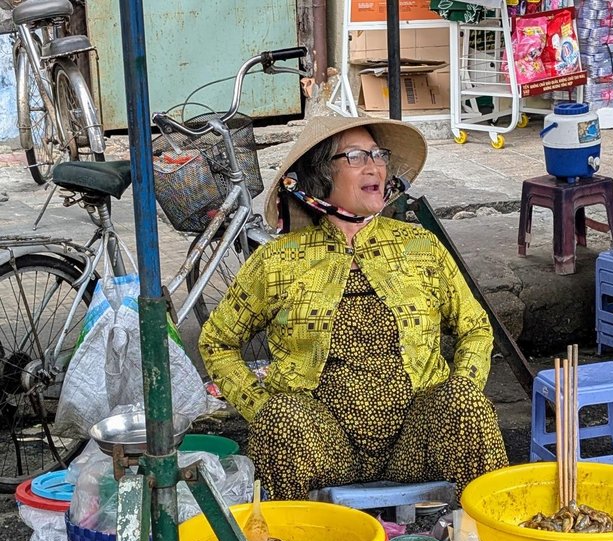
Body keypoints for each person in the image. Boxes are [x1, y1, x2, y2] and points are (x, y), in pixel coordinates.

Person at [198, 115, 508, 502]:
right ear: (321, 175)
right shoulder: (279, 261)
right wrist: (259, 405)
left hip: (414, 441)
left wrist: (461, 385)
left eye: (379, 155)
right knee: (279, 418)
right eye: (357, 156)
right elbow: (217, 341)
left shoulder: (419, 247)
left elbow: (475, 328)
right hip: (325, 448)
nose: (375, 165)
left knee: (466, 402)